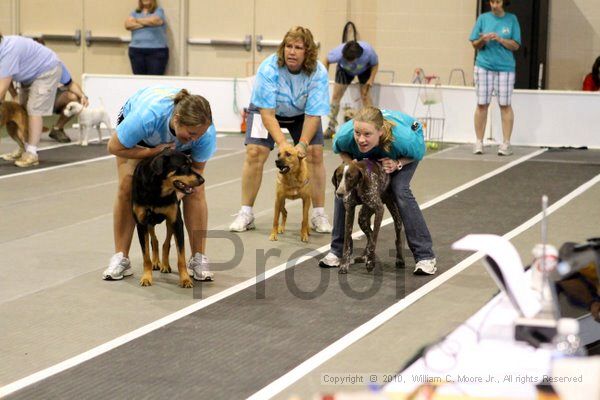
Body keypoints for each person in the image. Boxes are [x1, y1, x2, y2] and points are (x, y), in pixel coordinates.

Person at [102, 85, 216, 282]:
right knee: (128, 184)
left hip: (172, 146)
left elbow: (196, 172)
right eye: (191, 133)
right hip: (143, 141)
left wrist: (176, 193)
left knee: (196, 190)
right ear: (177, 120)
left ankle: (198, 257)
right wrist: (152, 152)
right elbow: (114, 147)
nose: (196, 138)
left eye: (199, 134)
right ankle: (121, 257)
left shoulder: (204, 134)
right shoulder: (146, 117)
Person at [229, 26, 333, 233]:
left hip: (302, 114)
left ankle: (318, 213)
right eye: (288, 46)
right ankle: (246, 213)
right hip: (268, 111)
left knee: (314, 152)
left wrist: (302, 144)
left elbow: (313, 115)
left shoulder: (318, 72)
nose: (292, 51)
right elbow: (267, 114)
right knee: (255, 152)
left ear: (308, 52)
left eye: (298, 47)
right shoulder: (269, 69)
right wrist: (283, 143)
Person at [319, 106, 437, 275]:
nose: (361, 139)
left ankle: (425, 256)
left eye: (367, 134)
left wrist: (398, 164)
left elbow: (417, 155)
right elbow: (342, 152)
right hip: (365, 156)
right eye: (357, 133)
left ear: (380, 132)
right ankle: (338, 252)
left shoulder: (403, 140)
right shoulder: (345, 136)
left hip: (400, 155)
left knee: (399, 189)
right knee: (343, 189)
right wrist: (352, 165)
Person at [0, 34, 63, 167]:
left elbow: (2, 87)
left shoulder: (8, 50)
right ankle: (24, 148)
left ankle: (32, 153)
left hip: (46, 71)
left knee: (33, 109)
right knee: (22, 111)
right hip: (28, 76)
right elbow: (5, 76)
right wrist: (15, 96)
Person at [469, 0, 521, 156]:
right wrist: (482, 40)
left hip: (505, 68)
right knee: (481, 104)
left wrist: (500, 39)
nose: (494, 5)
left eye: (497, 1)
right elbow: (474, 44)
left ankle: (506, 143)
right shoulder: (483, 19)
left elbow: (516, 45)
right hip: (484, 65)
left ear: (503, 2)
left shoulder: (512, 19)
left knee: (505, 105)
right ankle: (479, 142)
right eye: (492, 1)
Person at [323, 39, 379, 139]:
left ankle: (373, 126)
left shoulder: (368, 52)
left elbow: (375, 64)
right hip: (344, 71)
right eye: (347, 59)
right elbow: (326, 60)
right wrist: (323, 77)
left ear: (358, 56)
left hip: (364, 70)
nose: (349, 61)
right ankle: (331, 127)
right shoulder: (338, 52)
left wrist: (371, 79)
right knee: (336, 96)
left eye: (351, 60)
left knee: (365, 97)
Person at [46, 61, 90, 143]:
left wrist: (83, 96)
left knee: (74, 98)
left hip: (53, 97)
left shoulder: (56, 63)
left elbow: (71, 84)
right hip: (35, 96)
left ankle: (57, 128)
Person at [125, 0, 169, 75]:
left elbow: (155, 21)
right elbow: (128, 25)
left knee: (154, 81)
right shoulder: (135, 13)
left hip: (156, 51)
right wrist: (148, 23)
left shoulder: (158, 11)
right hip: (136, 51)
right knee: (139, 81)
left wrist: (136, 21)